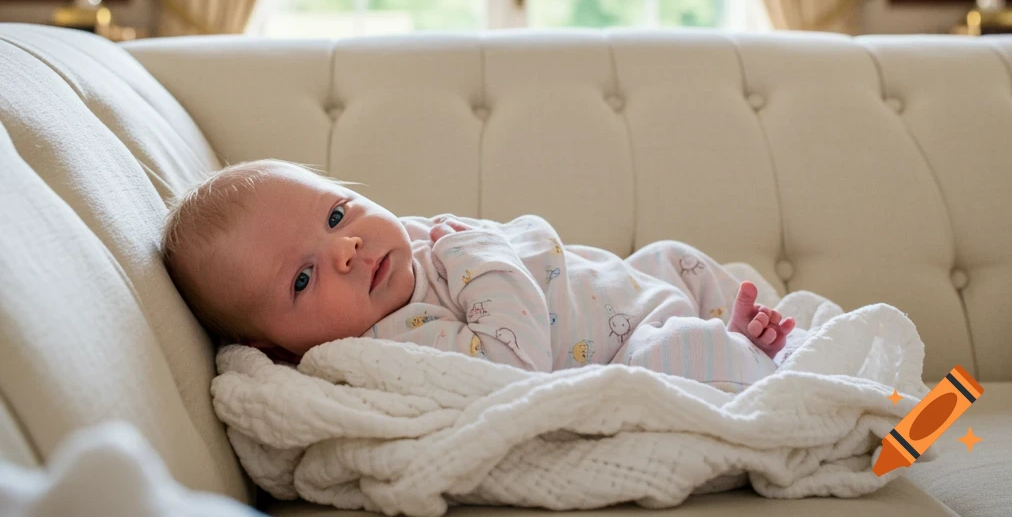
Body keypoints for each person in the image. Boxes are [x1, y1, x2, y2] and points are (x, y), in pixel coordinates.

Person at [161, 159, 796, 392]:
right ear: (276, 348)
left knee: (669, 254)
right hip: (627, 348)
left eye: (335, 213)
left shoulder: (401, 243)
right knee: (679, 355)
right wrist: (480, 250)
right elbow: (509, 362)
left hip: (623, 287)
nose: (347, 249)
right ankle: (758, 358)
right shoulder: (394, 345)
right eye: (302, 279)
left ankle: (757, 331)